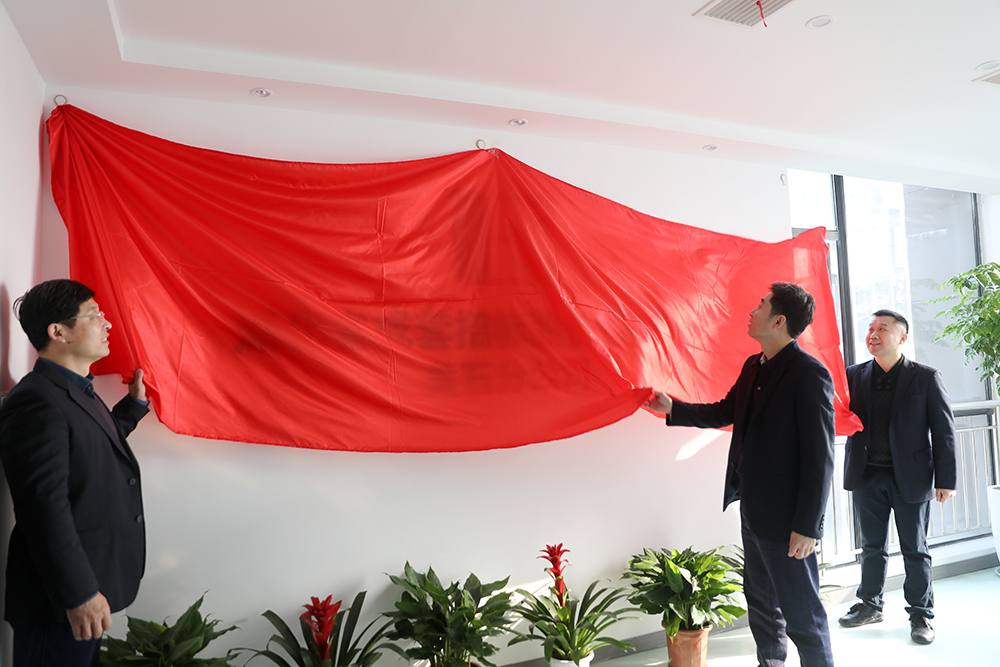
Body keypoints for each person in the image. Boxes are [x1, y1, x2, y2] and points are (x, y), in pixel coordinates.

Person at [645, 282, 836, 667]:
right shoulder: (754, 366)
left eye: (760, 305)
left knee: (802, 615)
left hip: (788, 522)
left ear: (779, 321)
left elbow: (820, 458)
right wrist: (673, 408)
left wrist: (808, 526)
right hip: (752, 510)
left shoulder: (809, 374)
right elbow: (724, 411)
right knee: (762, 606)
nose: (752, 311)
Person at [0, 279, 150, 667]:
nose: (106, 323)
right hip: (60, 601)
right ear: (58, 332)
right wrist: (79, 593)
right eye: (94, 315)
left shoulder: (73, 390)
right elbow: (43, 507)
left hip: (84, 588)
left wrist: (131, 409)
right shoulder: (35, 399)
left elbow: (87, 445)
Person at [837, 310, 956, 645]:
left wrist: (946, 480)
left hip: (911, 478)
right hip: (866, 475)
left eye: (882, 329)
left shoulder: (925, 377)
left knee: (914, 549)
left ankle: (921, 614)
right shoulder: (853, 375)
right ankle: (870, 604)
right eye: (870, 329)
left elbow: (944, 432)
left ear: (902, 338)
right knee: (871, 546)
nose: (873, 334)